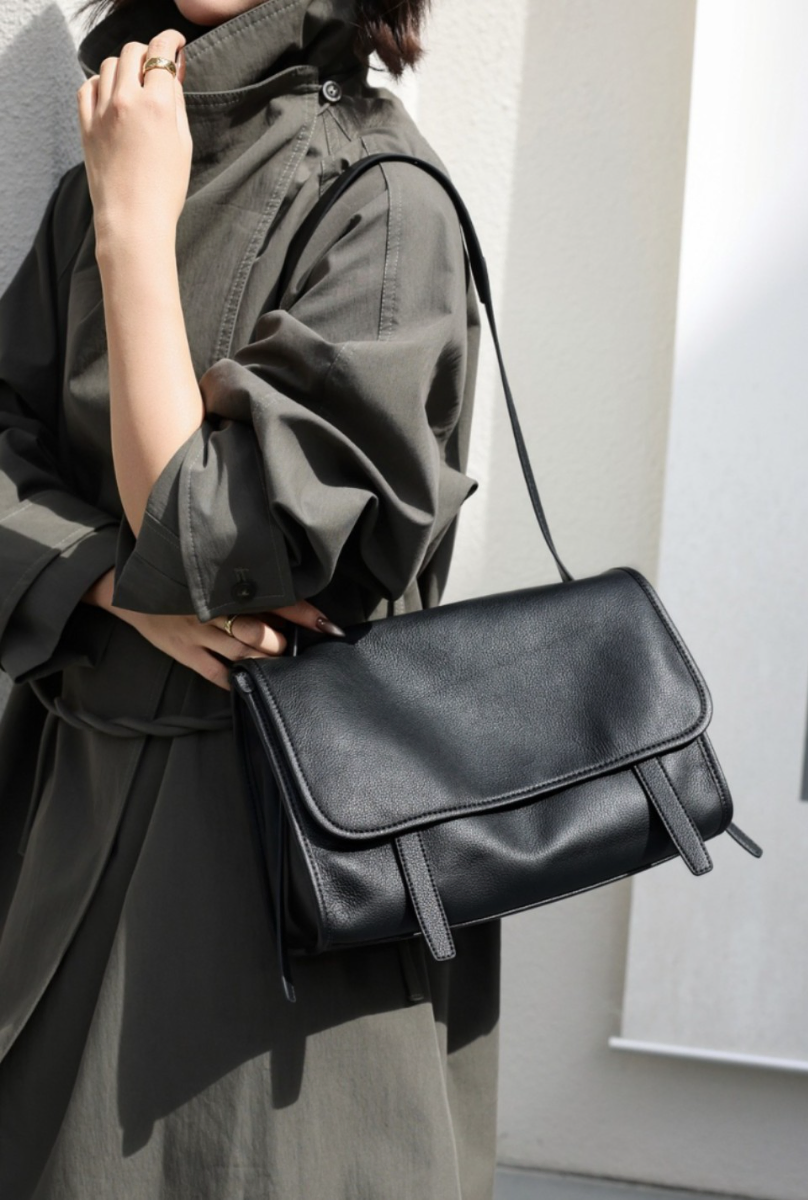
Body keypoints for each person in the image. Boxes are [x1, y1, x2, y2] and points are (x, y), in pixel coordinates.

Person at [0, 0, 500, 1195]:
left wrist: (133, 231)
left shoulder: (383, 202)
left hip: (277, 890)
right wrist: (109, 583)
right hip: (61, 827)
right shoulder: (111, 168)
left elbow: (217, 542)